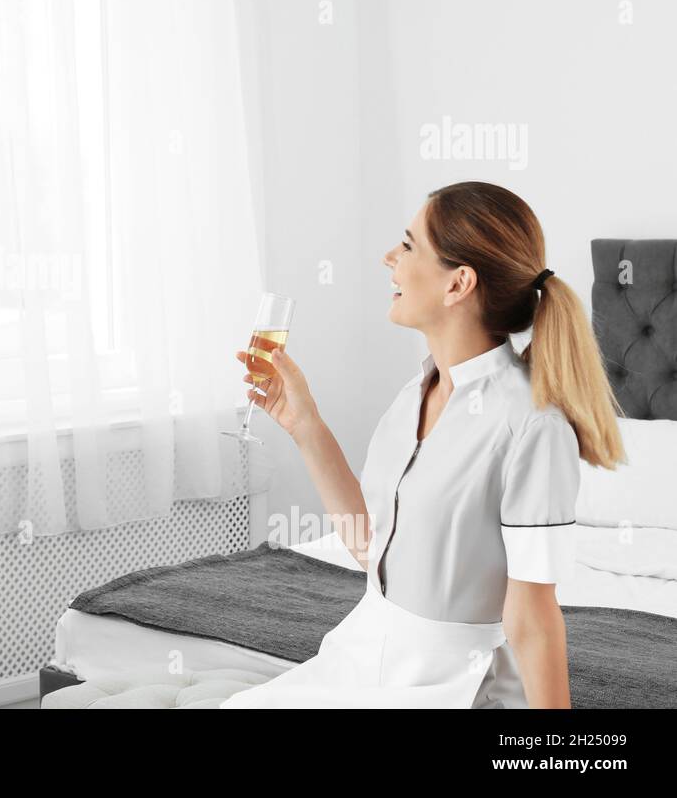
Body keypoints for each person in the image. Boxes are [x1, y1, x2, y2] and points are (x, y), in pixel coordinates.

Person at [220, 182, 625, 709]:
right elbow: (372, 548)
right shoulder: (416, 392)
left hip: (449, 685)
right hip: (359, 653)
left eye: (408, 245)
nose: (389, 257)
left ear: (458, 283)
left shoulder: (531, 425)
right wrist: (305, 424)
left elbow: (532, 618)